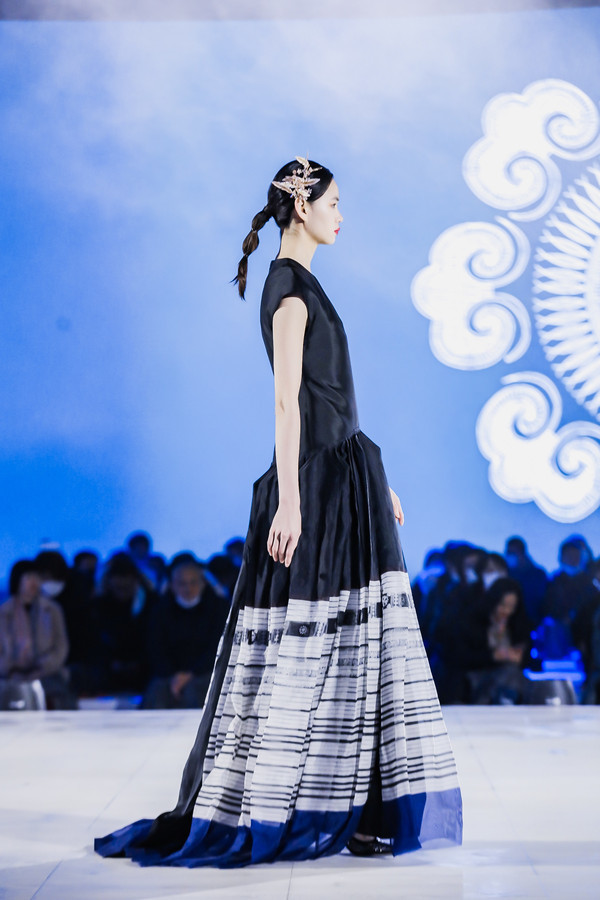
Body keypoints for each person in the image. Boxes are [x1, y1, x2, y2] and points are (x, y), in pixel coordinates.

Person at [96, 156, 462, 866]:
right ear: (302, 205)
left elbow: (333, 398)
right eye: (334, 202)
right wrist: (290, 502)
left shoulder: (303, 284)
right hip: (317, 486)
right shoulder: (288, 288)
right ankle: (299, 806)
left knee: (361, 647)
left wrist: (375, 478)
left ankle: (360, 812)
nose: (341, 215)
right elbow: (287, 401)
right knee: (311, 649)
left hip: (346, 478)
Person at [142, 554, 229, 709]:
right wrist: (174, 675)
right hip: (168, 675)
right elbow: (156, 648)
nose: (188, 589)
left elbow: (219, 647)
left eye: (193, 582)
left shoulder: (219, 608)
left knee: (196, 690)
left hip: (207, 672)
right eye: (182, 583)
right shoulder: (160, 610)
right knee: (157, 692)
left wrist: (190, 674)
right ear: (172, 585)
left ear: (203, 583)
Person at [0, 559, 77, 709]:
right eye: (29, 577)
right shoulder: (3, 612)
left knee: (59, 692)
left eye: (37, 577)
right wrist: (10, 669)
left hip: (47, 673)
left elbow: (61, 647)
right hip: (9, 675)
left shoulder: (52, 609)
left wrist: (42, 668)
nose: (34, 582)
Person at [94, 552, 156, 695]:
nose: (122, 591)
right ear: (109, 582)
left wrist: (138, 662)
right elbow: (95, 642)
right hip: (110, 667)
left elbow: (155, 641)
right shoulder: (100, 605)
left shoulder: (152, 604)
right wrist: (112, 662)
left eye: (126, 587)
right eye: (118, 587)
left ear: (135, 581)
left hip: (144, 666)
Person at [504, 536, 548, 626]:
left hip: (532, 622)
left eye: (513, 553)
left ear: (522, 553)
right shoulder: (505, 574)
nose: (510, 556)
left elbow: (539, 601)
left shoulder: (537, 574)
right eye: (508, 553)